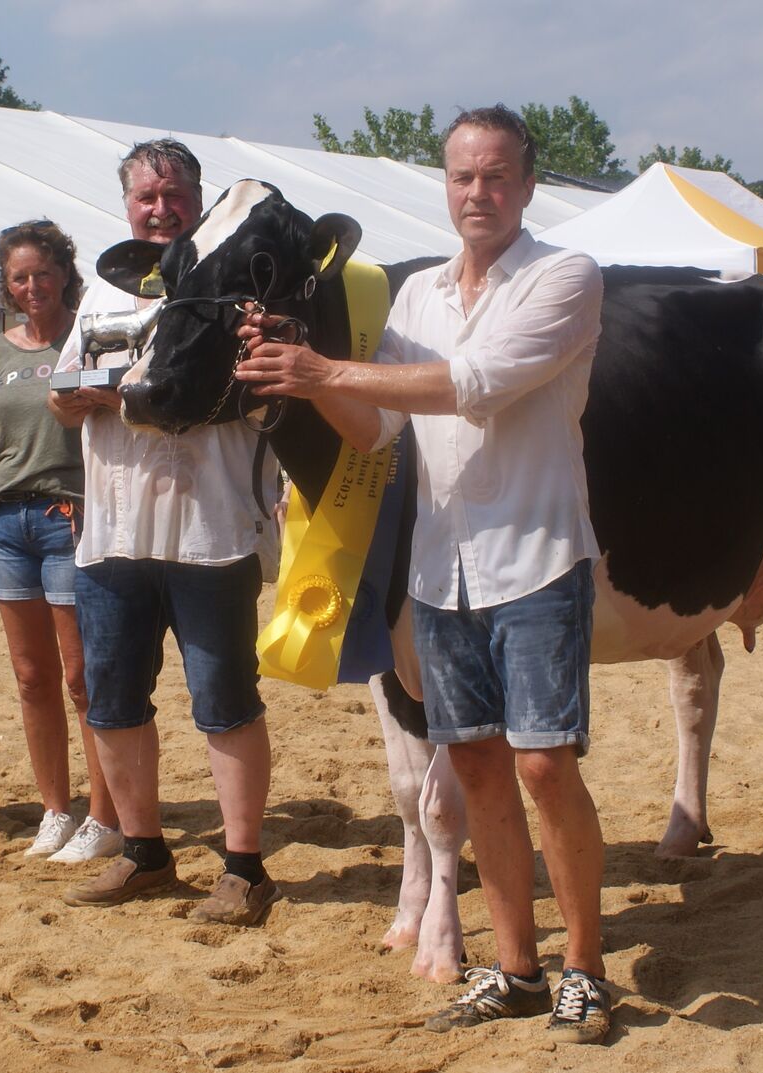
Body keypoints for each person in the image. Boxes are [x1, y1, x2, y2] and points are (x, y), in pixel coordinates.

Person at [235, 105, 611, 1044]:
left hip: (536, 557)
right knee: (479, 765)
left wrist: (327, 364)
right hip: (441, 569)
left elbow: (473, 384)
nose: (476, 193)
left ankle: (588, 969)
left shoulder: (566, 277)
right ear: (443, 186)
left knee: (541, 763)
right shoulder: (417, 295)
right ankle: (516, 966)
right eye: (460, 177)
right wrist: (298, 377)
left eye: (495, 176)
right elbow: (376, 431)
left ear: (527, 185)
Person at [48, 139, 282, 926]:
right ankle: (144, 852)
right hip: (112, 532)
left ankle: (245, 867)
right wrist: (73, 398)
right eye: (146, 195)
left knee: (225, 698)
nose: (160, 207)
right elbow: (66, 384)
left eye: (174, 193)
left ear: (199, 197)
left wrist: (130, 396)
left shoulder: (236, 277)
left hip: (210, 528)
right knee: (111, 697)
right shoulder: (100, 293)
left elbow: (248, 390)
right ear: (126, 204)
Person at [0, 220, 119, 862]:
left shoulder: (88, 336)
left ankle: (103, 813)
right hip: (8, 522)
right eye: (19, 276)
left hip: (71, 514)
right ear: (7, 285)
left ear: (64, 272)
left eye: (42, 272)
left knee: (79, 676)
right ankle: (54, 809)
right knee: (31, 677)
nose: (32, 285)